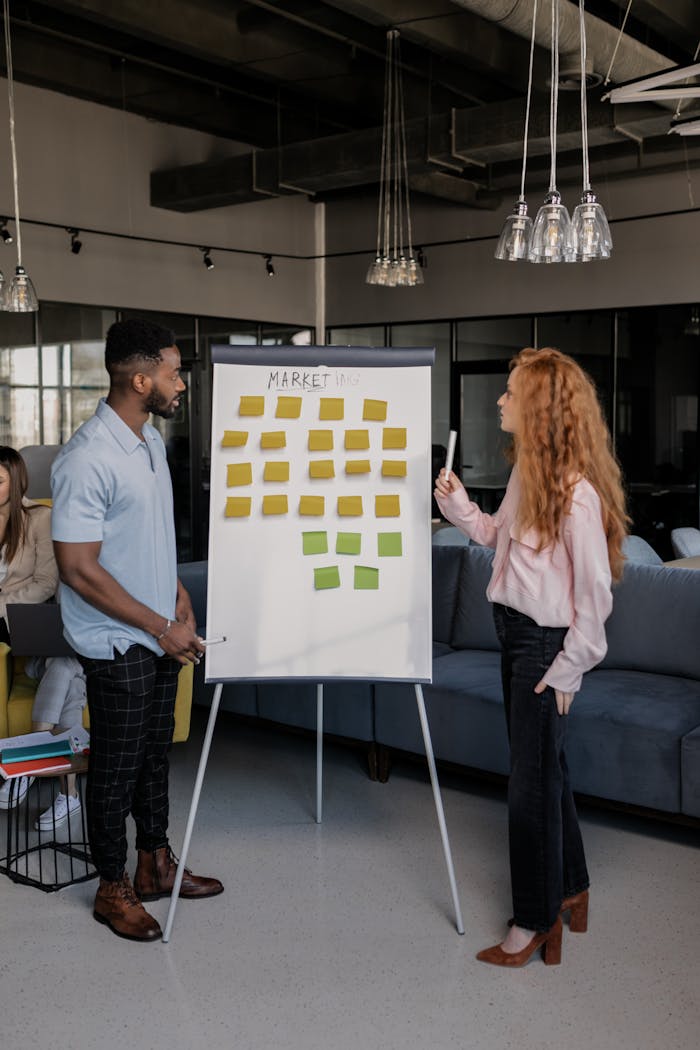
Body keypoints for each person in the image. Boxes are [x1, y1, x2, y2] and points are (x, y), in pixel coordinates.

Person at [434, 347, 628, 968]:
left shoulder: (577, 497)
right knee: (547, 769)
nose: (499, 400)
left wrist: (568, 667)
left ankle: (534, 921)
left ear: (539, 409)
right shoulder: (528, 477)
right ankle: (571, 888)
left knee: (530, 787)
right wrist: (460, 505)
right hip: (514, 633)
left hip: (545, 648)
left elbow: (595, 598)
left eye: (510, 393)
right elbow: (497, 536)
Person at [50, 318, 223, 943]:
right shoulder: (87, 457)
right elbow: (77, 567)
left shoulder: (148, 440)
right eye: (175, 374)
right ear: (141, 378)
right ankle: (111, 886)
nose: (182, 385)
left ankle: (154, 863)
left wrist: (176, 595)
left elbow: (146, 537)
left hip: (157, 632)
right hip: (117, 640)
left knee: (154, 758)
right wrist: (156, 624)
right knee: (118, 766)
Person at [0, 446, 87, 826]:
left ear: (16, 480)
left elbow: (45, 583)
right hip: (12, 635)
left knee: (65, 664)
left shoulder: (39, 518)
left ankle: (31, 766)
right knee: (70, 671)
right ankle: (66, 794)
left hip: (26, 622)